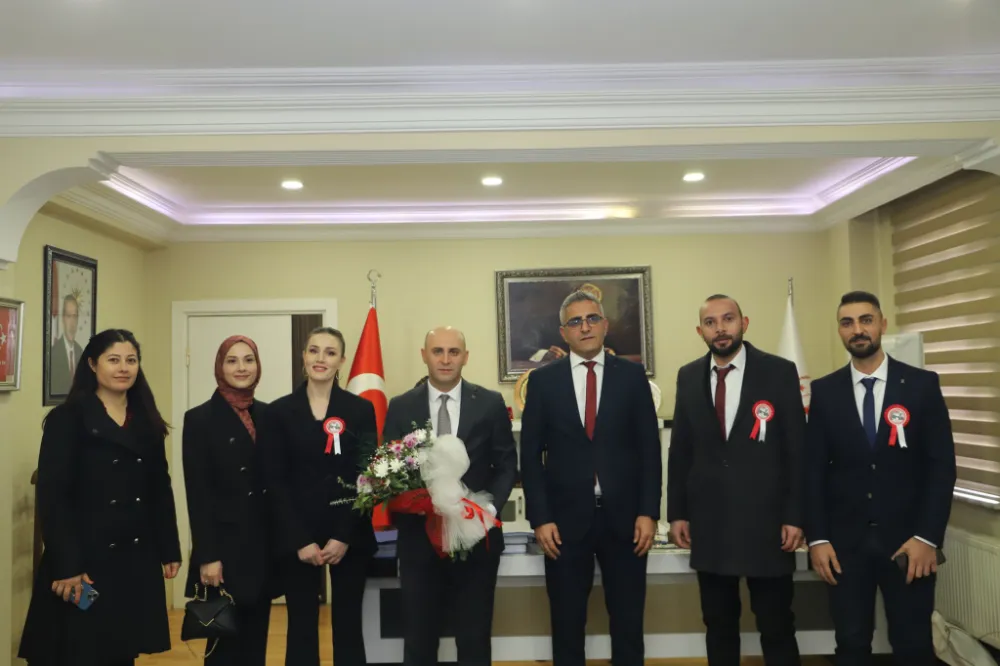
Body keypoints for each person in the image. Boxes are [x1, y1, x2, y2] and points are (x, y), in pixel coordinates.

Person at [805, 291, 956, 665]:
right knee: (851, 644)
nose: (857, 329)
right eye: (847, 322)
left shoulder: (921, 385)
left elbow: (941, 468)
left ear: (882, 324)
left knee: (913, 645)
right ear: (840, 331)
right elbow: (813, 470)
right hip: (844, 547)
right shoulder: (825, 391)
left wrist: (927, 537)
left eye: (866, 320)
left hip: (909, 544)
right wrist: (818, 538)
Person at [19, 329, 182, 666]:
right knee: (78, 650)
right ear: (93, 364)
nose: (124, 368)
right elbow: (54, 497)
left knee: (119, 651)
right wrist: (67, 566)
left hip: (133, 558)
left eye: (131, 360)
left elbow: (159, 489)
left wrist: (169, 547)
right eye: (114, 360)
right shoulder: (68, 418)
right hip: (83, 558)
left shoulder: (146, 419)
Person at [519, 290, 661, 666]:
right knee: (567, 625)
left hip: (627, 521)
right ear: (563, 332)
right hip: (563, 525)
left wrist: (649, 512)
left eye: (592, 318)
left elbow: (650, 450)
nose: (585, 327)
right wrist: (540, 518)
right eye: (575, 321)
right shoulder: (543, 382)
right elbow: (530, 457)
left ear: (605, 325)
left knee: (628, 623)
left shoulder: (632, 377)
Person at [667, 294, 805, 666]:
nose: (720, 328)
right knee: (718, 624)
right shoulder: (688, 376)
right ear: (700, 331)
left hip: (768, 525)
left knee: (776, 624)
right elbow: (681, 452)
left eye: (728, 319)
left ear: (744, 323)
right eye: (710, 322)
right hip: (710, 524)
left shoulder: (778, 372)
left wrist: (795, 515)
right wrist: (677, 513)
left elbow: (797, 450)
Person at [383, 326, 518, 666]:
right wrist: (411, 501)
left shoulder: (489, 403)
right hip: (419, 543)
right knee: (419, 638)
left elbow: (506, 464)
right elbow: (388, 467)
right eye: (438, 351)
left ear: (465, 357)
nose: (445, 359)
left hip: (476, 539)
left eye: (453, 352)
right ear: (424, 355)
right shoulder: (401, 406)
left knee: (474, 638)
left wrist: (487, 509)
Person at [260, 326, 377, 666]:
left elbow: (368, 476)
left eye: (330, 352)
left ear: (342, 361)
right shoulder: (278, 412)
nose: (320, 358)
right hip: (298, 536)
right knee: (301, 626)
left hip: (348, 533)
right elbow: (274, 481)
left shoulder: (360, 409)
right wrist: (300, 539)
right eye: (314, 350)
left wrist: (343, 536)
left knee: (348, 625)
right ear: (304, 357)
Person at [182, 335, 277, 666]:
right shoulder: (199, 419)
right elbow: (198, 493)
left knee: (255, 643)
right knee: (224, 646)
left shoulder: (269, 415)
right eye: (232, 360)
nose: (241, 367)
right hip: (223, 551)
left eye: (249, 359)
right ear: (219, 367)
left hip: (262, 549)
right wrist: (208, 556)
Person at [50, 294, 85, 395]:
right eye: (69, 316)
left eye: (75, 316)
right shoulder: (53, 353)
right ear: (63, 319)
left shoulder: (81, 352)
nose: (72, 323)